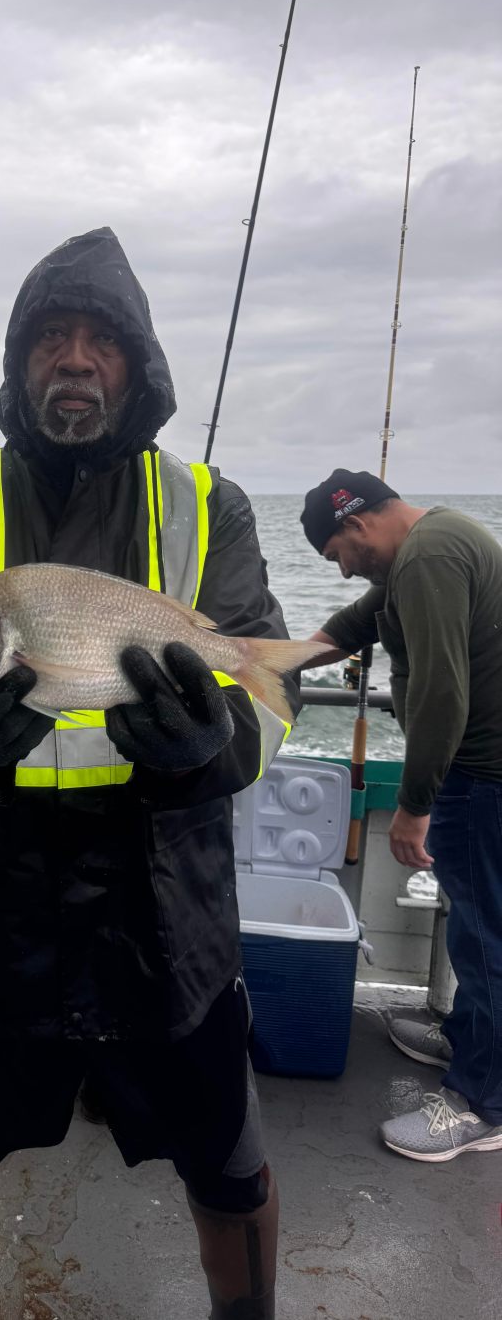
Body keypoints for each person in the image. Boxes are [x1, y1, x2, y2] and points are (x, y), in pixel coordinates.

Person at [0, 226, 298, 1319]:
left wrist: (214, 744)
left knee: (229, 1170)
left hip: (165, 905)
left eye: (102, 341)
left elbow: (260, 700)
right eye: (52, 336)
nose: (76, 360)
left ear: (139, 368)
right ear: (18, 365)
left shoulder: (209, 505)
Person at [300, 469, 502, 1162]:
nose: (345, 571)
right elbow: (355, 625)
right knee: (481, 929)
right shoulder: (428, 544)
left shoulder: (430, 557)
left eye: (337, 556)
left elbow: (444, 693)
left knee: (487, 940)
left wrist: (413, 807)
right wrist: (267, 662)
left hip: (483, 779)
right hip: (479, 775)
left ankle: (484, 1102)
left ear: (356, 526)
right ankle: (470, 1037)